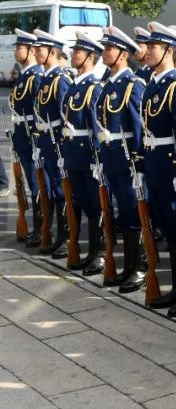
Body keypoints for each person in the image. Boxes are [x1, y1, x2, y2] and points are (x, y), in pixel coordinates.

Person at [140, 22, 176, 317]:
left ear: (171, 51)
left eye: (154, 47)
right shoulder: (154, 84)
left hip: (172, 167)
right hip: (156, 165)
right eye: (149, 45)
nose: (148, 51)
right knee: (167, 225)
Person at [96, 26, 148, 292]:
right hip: (112, 159)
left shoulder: (133, 85)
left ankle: (138, 268)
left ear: (123, 54)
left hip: (129, 162)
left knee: (132, 214)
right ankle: (127, 267)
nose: (105, 52)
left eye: (109, 49)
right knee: (120, 213)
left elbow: (139, 128)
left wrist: (139, 165)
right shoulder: (109, 84)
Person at [60, 33, 106, 273]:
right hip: (73, 156)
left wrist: (97, 159)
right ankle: (91, 251)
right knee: (83, 202)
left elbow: (97, 128)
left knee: (95, 205)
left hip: (88, 157)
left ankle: (99, 253)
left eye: (77, 51)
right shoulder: (75, 86)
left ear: (90, 57)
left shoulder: (94, 88)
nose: (72, 54)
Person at [31, 29, 72, 258]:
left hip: (57, 145)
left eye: (40, 50)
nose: (36, 53)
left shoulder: (61, 80)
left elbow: (64, 117)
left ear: (53, 52)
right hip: (46, 143)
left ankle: (66, 238)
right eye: (35, 50)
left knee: (61, 190)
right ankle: (58, 236)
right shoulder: (46, 78)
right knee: (53, 191)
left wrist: (62, 149)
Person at [8, 29, 43, 247]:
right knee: (30, 184)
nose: (15, 51)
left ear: (30, 50)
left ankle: (42, 228)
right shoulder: (24, 75)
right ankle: (38, 228)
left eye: (19, 47)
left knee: (37, 184)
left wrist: (37, 140)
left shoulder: (35, 76)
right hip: (22, 135)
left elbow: (40, 111)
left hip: (33, 137)